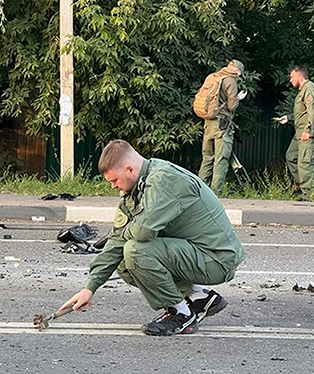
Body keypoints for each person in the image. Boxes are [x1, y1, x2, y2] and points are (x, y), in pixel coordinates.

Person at [59, 140, 245, 336]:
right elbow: (116, 240)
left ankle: (181, 314)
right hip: (196, 253)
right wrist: (90, 288)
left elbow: (142, 232)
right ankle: (197, 297)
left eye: (114, 180)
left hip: (216, 259)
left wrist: (124, 234)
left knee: (135, 250)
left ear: (129, 169)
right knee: (123, 256)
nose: (113, 186)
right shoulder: (139, 186)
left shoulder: (164, 180)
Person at [276, 66, 314, 201]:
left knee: (305, 162)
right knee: (291, 156)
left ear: (300, 77)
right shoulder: (303, 90)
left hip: (307, 133)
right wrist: (288, 118)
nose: (290, 80)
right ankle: (302, 186)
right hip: (299, 132)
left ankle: (308, 195)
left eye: (292, 77)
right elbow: (303, 112)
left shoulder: (309, 89)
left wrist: (308, 131)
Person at [197, 60, 248, 192]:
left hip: (208, 122)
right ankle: (215, 192)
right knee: (221, 158)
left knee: (207, 158)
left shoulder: (212, 77)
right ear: (237, 71)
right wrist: (238, 98)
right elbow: (232, 106)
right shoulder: (230, 81)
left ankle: (200, 191)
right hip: (222, 124)